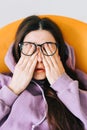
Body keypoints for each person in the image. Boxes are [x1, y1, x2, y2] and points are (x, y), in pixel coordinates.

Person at [0, 15, 87, 130]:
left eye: (47, 49)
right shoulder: (2, 81)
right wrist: (13, 89)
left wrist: (63, 84)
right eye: (30, 48)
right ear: (19, 52)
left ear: (59, 53)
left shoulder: (79, 81)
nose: (40, 59)